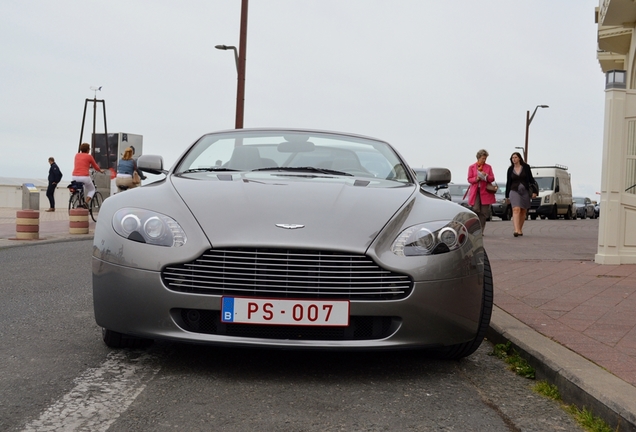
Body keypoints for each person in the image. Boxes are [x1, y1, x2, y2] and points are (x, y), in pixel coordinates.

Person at [505, 152, 537, 237]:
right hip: (514, 190)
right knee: (516, 209)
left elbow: (531, 179)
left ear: (519, 158)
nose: (514, 159)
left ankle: (520, 229)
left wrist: (534, 191)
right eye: (512, 158)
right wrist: (507, 196)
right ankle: (516, 230)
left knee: (523, 211)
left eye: (515, 157)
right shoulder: (510, 169)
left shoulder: (526, 167)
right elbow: (508, 182)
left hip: (525, 191)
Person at [467, 149, 496, 231]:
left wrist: (486, 176)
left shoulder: (488, 167)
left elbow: (492, 178)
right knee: (476, 209)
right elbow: (469, 179)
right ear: (478, 158)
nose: (484, 160)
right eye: (483, 158)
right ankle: (475, 227)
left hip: (485, 191)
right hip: (476, 191)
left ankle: (481, 229)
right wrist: (476, 179)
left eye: (485, 158)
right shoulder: (472, 167)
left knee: (484, 212)